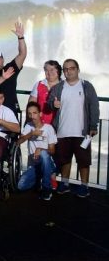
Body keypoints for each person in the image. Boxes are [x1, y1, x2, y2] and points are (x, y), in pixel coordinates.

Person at [48, 59, 100, 198]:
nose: (68, 71)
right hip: (62, 131)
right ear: (63, 71)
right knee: (64, 159)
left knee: (83, 160)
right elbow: (49, 103)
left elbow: (94, 106)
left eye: (71, 68)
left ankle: (84, 186)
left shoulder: (86, 86)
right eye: (65, 69)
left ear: (78, 69)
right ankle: (64, 184)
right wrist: (54, 104)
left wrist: (93, 125)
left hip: (82, 132)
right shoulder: (58, 87)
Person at [17, 102, 57, 200]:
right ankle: (42, 176)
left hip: (46, 162)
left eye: (34, 113)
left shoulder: (49, 128)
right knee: (21, 185)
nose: (32, 116)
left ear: (40, 114)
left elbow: (52, 151)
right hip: (34, 165)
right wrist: (31, 134)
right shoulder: (28, 127)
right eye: (29, 114)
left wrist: (41, 149)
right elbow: (18, 142)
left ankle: (46, 188)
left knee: (43, 154)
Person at [27, 60, 62, 125]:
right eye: (46, 70)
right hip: (40, 124)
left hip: (58, 125)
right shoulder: (39, 84)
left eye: (52, 70)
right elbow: (31, 105)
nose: (49, 72)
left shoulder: (64, 86)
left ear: (58, 70)